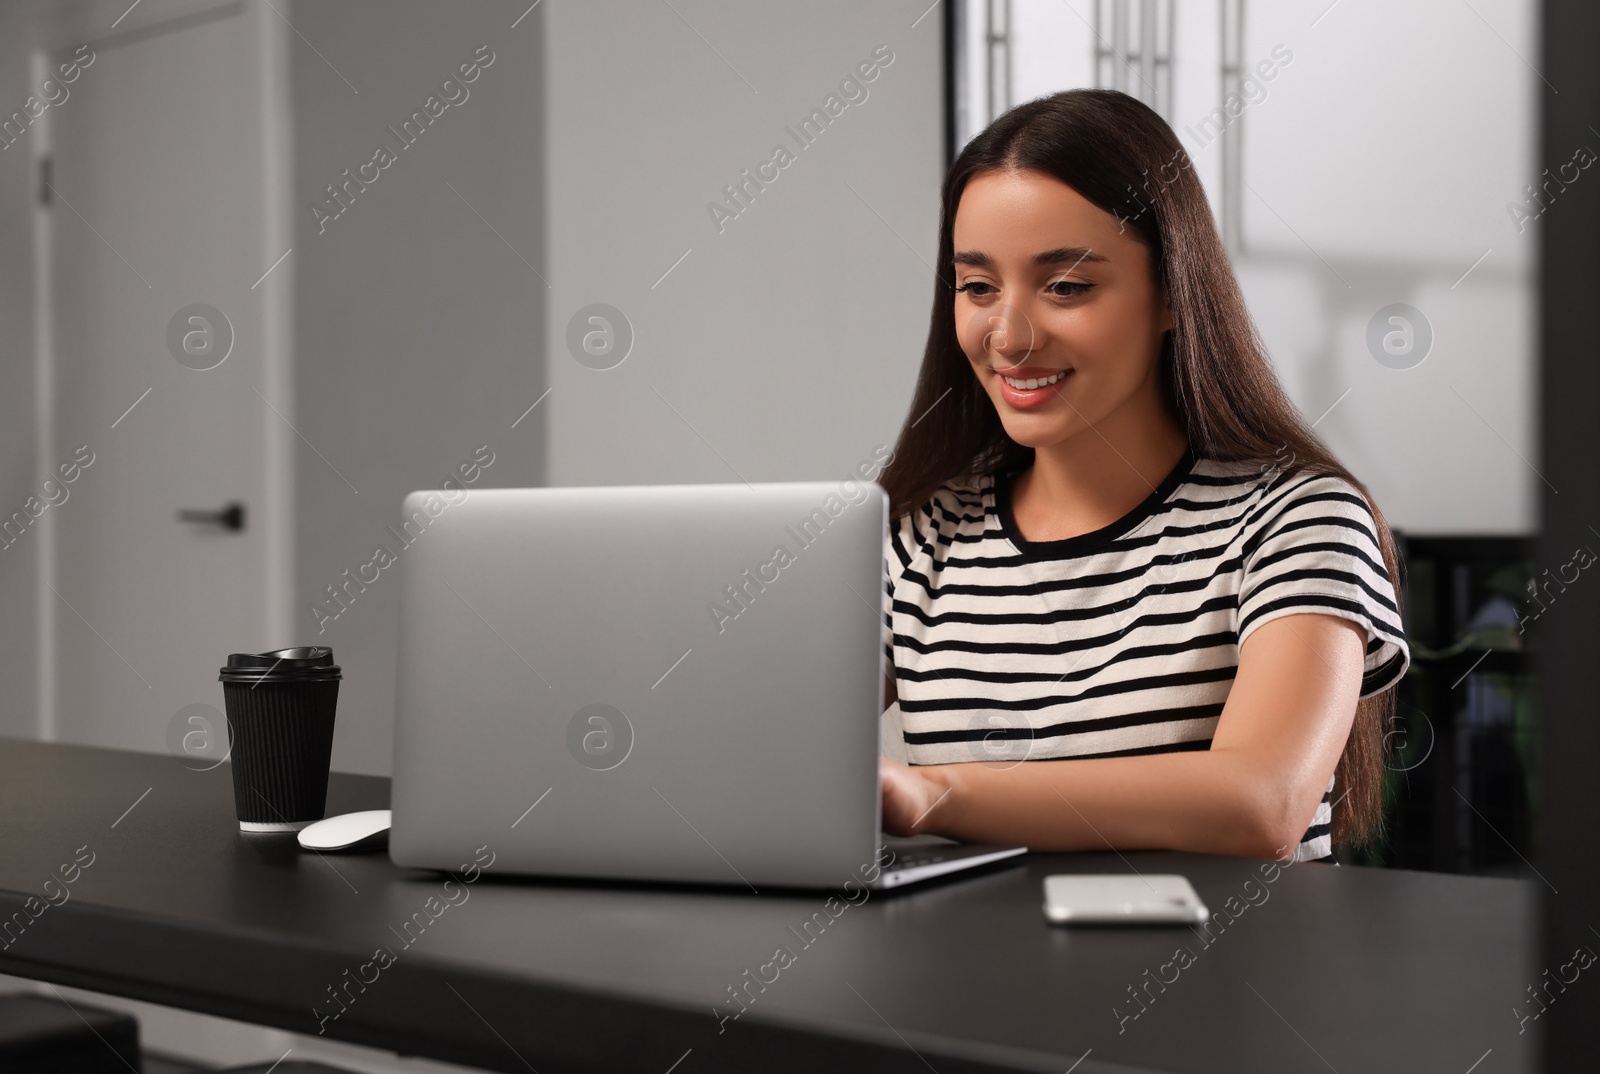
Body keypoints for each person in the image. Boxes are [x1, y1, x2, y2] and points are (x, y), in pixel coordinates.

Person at [875, 88, 1410, 864]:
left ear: (1171, 293)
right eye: (978, 286)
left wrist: (934, 795)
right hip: (974, 982)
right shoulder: (922, 535)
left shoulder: (1298, 519)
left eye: (1066, 286)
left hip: (1230, 984)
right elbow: (767, 754)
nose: (1010, 335)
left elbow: (1261, 804)